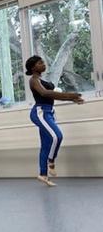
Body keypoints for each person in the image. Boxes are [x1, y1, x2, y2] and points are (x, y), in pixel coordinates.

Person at [25, 56, 84, 186]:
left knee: (45, 145)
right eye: (40, 63)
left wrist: (72, 98)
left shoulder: (42, 79)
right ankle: (51, 161)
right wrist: (70, 96)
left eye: (43, 62)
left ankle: (43, 175)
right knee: (57, 136)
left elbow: (53, 95)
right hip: (40, 112)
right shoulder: (33, 80)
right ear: (33, 67)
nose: (43, 64)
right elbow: (45, 94)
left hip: (49, 112)